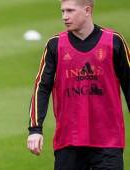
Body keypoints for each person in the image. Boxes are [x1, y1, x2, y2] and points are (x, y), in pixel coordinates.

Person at [26, 0, 129, 169]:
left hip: (108, 142)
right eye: (62, 11)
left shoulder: (114, 42)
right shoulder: (55, 45)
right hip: (69, 141)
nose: (64, 17)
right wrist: (35, 129)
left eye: (70, 11)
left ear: (87, 10)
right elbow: (41, 87)